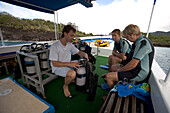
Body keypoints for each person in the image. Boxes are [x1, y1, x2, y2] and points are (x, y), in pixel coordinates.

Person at [103, 24, 154, 89]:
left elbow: (133, 64)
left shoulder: (143, 43)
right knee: (113, 67)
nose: (126, 38)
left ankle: (114, 92)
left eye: (127, 36)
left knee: (109, 76)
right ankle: (117, 83)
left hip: (139, 73)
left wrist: (120, 71)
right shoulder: (138, 42)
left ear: (133, 34)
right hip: (135, 69)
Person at [49, 25, 89, 98]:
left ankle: (71, 79)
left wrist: (84, 54)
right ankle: (65, 86)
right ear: (65, 34)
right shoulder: (55, 46)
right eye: (71, 35)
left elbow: (78, 52)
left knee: (81, 64)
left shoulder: (69, 44)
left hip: (68, 64)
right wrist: (70, 64)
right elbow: (54, 63)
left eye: (73, 36)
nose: (73, 38)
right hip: (57, 67)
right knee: (72, 74)